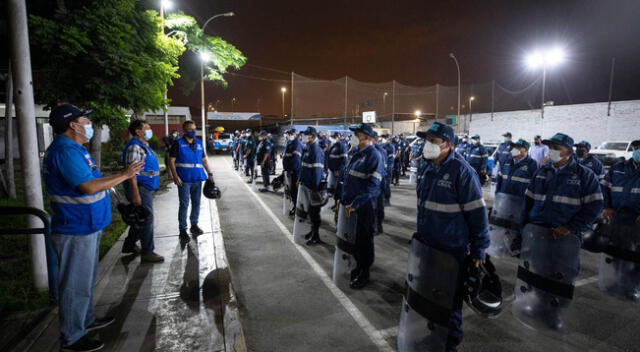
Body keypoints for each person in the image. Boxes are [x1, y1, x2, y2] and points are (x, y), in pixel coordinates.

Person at [44, 104, 144, 351]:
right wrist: (125, 174)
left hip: (88, 225)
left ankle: (86, 320)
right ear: (72, 125)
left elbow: (95, 180)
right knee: (74, 286)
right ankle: (72, 337)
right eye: (84, 120)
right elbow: (87, 187)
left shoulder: (76, 150)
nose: (88, 124)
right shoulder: (65, 151)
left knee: (85, 281)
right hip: (75, 228)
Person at [410, 122, 489, 351]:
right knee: (429, 297)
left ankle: (449, 344)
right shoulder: (427, 168)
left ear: (449, 144)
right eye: (427, 140)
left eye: (434, 141)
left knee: (449, 302)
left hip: (450, 250)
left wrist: (479, 249)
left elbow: (478, 213)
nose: (428, 145)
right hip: (427, 246)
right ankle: (433, 336)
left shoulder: (462, 171)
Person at [517, 133, 603, 329]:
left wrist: (572, 228)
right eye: (551, 147)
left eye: (557, 148)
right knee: (539, 271)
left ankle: (555, 312)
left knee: (561, 275)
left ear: (569, 152)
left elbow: (595, 206)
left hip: (564, 237)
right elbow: (528, 202)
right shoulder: (541, 172)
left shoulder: (584, 176)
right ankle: (539, 305)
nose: (552, 151)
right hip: (539, 233)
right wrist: (523, 229)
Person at [340, 123, 384, 289]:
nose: (354, 137)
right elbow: (348, 178)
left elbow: (373, 187)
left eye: (357, 134)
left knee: (364, 241)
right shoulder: (357, 154)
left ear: (366, 137)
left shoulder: (374, 155)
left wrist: (356, 204)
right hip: (351, 205)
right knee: (355, 241)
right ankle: (358, 266)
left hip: (364, 207)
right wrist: (342, 198)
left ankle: (365, 272)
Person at [599, 139, 640, 300]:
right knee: (616, 252)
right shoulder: (618, 168)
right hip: (617, 218)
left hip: (636, 221)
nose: (638, 151)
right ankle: (616, 282)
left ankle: (631, 287)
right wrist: (606, 206)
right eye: (636, 148)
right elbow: (604, 188)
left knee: (635, 255)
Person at [120, 120, 164, 263]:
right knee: (147, 219)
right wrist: (136, 194)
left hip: (147, 186)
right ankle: (147, 252)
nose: (150, 130)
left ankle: (130, 244)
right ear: (138, 131)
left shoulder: (144, 146)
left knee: (141, 217)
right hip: (140, 187)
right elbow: (132, 173)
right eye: (147, 128)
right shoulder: (134, 147)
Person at [168, 120, 216, 242]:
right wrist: (175, 176)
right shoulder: (177, 143)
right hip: (183, 180)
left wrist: (209, 173)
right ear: (184, 130)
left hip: (197, 178)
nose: (193, 131)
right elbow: (171, 160)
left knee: (196, 203)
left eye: (194, 129)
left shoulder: (199, 143)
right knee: (184, 204)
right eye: (190, 129)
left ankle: (194, 225)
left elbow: (204, 160)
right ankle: (182, 230)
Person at [299, 127, 325, 245]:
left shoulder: (316, 150)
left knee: (314, 213)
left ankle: (316, 236)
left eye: (307, 135)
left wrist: (314, 188)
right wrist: (301, 179)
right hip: (307, 184)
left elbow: (317, 171)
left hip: (313, 187)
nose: (304, 137)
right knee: (310, 211)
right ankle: (312, 232)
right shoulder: (308, 148)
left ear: (313, 137)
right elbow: (304, 167)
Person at [283, 128, 303, 216]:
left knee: (295, 191)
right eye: (288, 133)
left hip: (295, 172)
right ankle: (295, 206)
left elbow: (296, 159)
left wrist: (290, 170)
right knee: (291, 191)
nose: (289, 135)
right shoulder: (289, 142)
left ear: (295, 134)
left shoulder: (296, 143)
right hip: (289, 171)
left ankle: (298, 208)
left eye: (291, 133)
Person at [327, 132, 348, 208]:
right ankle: (335, 204)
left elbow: (344, 160)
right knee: (334, 188)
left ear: (338, 137)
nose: (332, 139)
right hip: (332, 171)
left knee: (339, 189)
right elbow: (330, 157)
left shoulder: (342, 146)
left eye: (334, 137)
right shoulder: (334, 146)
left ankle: (338, 205)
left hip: (338, 171)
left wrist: (339, 171)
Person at [373, 133, 388, 234]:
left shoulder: (379, 151)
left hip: (378, 182)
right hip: (377, 182)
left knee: (377, 206)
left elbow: (380, 170)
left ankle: (378, 226)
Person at [380, 134, 396, 205]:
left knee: (386, 183)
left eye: (384, 138)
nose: (383, 139)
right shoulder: (382, 145)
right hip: (383, 167)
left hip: (387, 167)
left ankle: (387, 200)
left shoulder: (390, 146)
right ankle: (383, 198)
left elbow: (390, 158)